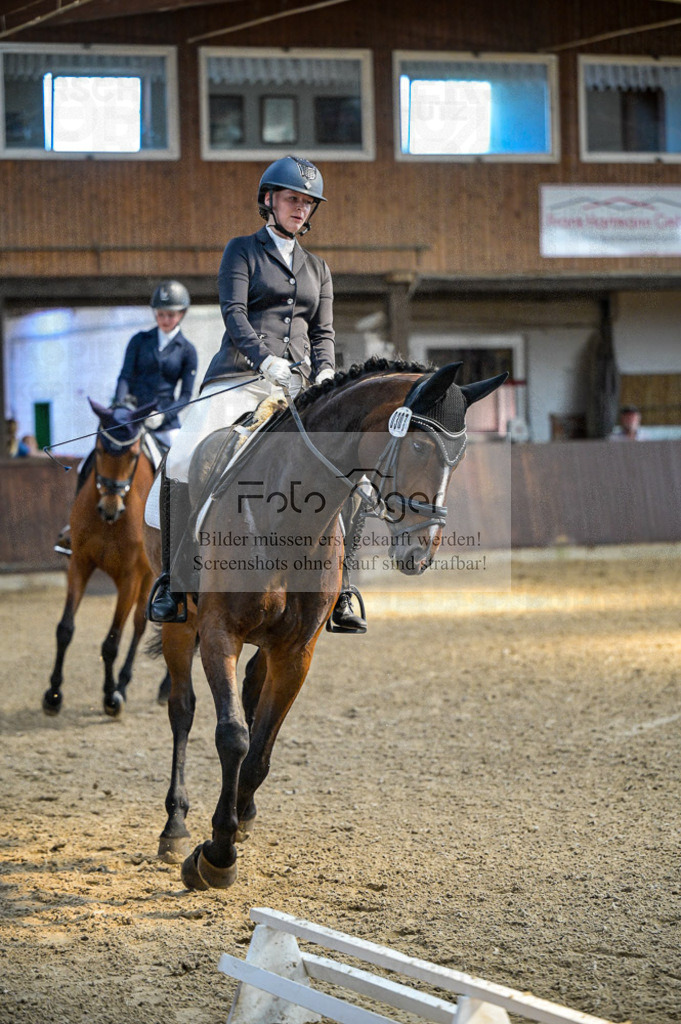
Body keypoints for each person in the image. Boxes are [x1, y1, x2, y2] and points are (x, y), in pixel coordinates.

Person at [147, 154, 366, 633]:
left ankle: (343, 590)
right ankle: (172, 580)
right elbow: (235, 314)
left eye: (308, 203)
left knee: (353, 474)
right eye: (292, 199)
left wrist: (325, 375)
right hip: (238, 378)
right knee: (183, 458)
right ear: (269, 200)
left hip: (300, 389)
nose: (301, 209)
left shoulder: (319, 269)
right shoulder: (241, 250)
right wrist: (266, 360)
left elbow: (323, 332)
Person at [54, 281, 197, 556]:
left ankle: (184, 531)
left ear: (181, 314)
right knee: (89, 460)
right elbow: (124, 377)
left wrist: (162, 415)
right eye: (160, 314)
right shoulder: (139, 341)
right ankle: (73, 528)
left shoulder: (186, 350)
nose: (165, 319)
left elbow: (187, 395)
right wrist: (120, 406)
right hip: (130, 417)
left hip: (163, 422)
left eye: (171, 314)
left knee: (184, 466)